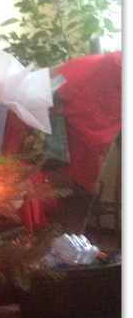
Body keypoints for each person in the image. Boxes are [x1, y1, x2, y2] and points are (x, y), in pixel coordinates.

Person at [46, 50, 122, 234]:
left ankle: (64, 240)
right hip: (65, 139)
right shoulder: (109, 73)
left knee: (73, 193)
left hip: (53, 130)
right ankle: (64, 241)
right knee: (73, 194)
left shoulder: (97, 65)